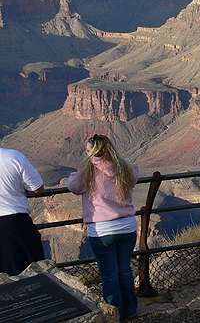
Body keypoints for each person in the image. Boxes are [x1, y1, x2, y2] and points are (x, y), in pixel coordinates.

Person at [68, 135, 139, 321]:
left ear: (92, 152)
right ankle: (130, 311)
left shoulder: (88, 172)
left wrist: (76, 171)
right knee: (124, 270)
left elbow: (73, 186)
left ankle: (114, 314)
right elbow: (135, 173)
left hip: (102, 231)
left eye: (87, 150)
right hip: (127, 228)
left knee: (109, 274)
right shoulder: (124, 167)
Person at [0, 147, 45, 275]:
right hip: (15, 221)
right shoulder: (13, 157)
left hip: (12, 221)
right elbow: (37, 188)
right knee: (32, 272)